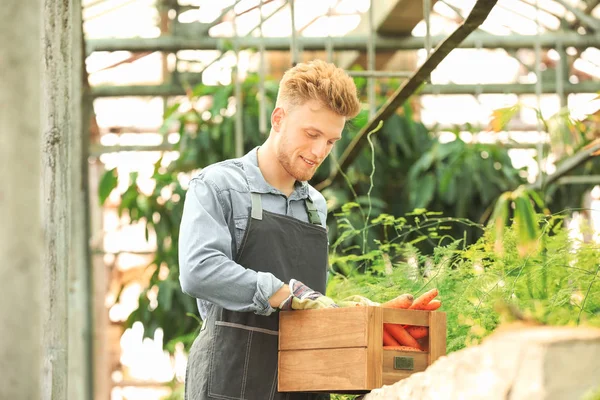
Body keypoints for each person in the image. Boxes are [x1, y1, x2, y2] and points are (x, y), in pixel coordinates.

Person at [178, 59, 361, 400]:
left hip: (302, 386)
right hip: (230, 382)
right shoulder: (218, 186)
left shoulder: (315, 206)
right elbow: (197, 271)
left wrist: (357, 318)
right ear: (279, 119)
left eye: (331, 141)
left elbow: (309, 302)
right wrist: (279, 292)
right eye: (312, 134)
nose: (320, 151)